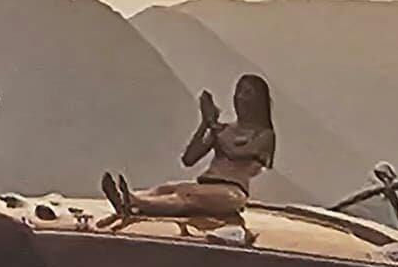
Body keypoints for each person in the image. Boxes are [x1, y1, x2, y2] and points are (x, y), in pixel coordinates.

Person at [102, 73, 276, 227]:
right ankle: (131, 197)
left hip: (232, 191)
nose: (240, 98)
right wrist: (204, 125)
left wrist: (212, 125)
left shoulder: (264, 135)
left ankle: (135, 201)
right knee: (166, 188)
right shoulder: (224, 130)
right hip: (206, 184)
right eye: (238, 92)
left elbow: (236, 152)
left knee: (186, 197)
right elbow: (189, 158)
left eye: (247, 93)